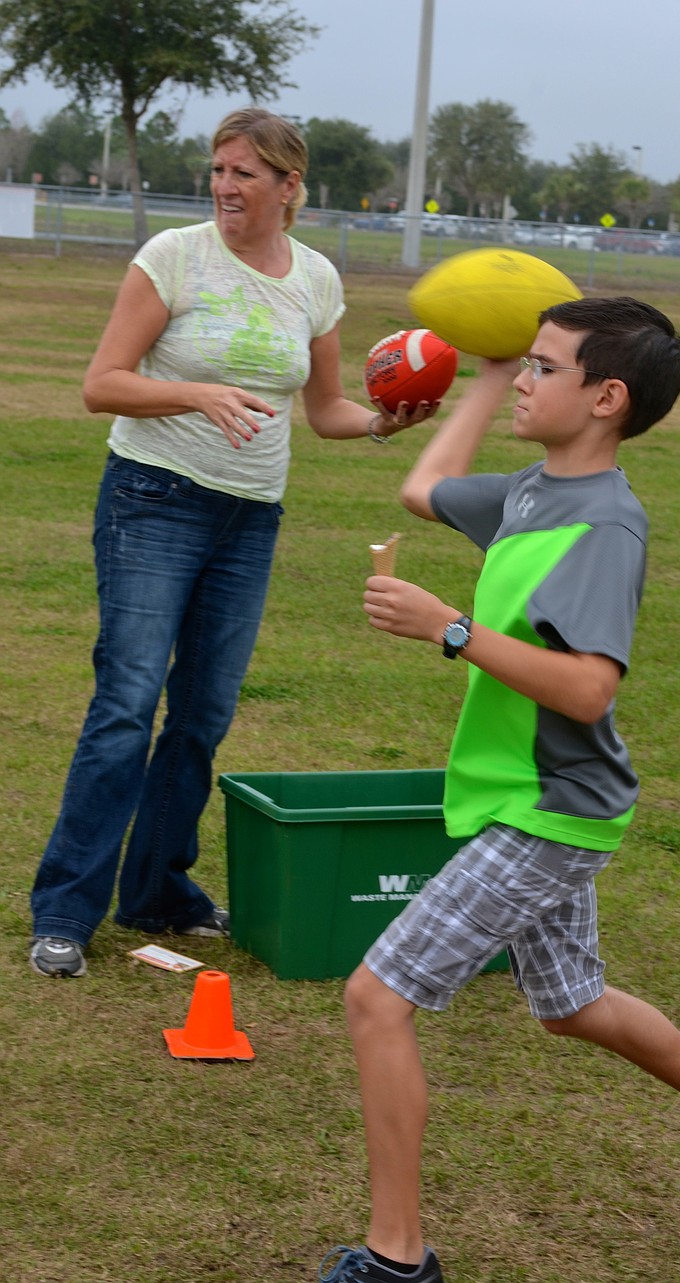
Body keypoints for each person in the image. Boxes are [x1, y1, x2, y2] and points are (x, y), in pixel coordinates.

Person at [317, 297, 680, 1283]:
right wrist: (491, 371)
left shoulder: (604, 526)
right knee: (570, 1001)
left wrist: (448, 628)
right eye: (529, 365)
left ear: (605, 396)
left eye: (545, 368)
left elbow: (589, 685)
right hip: (534, 798)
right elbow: (426, 486)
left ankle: (396, 1256)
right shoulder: (531, 492)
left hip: (550, 809)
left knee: (376, 997)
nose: (529, 381)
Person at [29, 107, 431, 980]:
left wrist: (381, 425)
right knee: (128, 704)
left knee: (204, 713)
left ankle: (159, 892)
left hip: (251, 516)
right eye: (218, 169)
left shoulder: (316, 279)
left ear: (290, 187)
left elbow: (323, 410)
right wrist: (196, 394)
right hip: (152, 500)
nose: (224, 186)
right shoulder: (174, 256)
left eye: (244, 173)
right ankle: (65, 909)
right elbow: (103, 385)